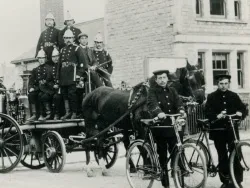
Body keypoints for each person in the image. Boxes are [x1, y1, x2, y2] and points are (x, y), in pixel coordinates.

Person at [205, 74, 246, 188]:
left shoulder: (233, 96)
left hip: (232, 130)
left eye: (226, 83)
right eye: (221, 83)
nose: (223, 86)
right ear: (217, 84)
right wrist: (216, 116)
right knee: (222, 155)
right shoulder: (211, 97)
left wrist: (241, 113)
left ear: (229, 84)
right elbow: (207, 113)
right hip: (218, 131)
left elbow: (243, 108)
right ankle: (225, 181)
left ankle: (237, 181)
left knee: (236, 154)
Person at [147, 70, 186, 188]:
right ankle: (166, 184)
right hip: (161, 128)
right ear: (156, 80)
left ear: (167, 79)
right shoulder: (152, 91)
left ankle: (180, 184)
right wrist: (158, 113)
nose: (162, 80)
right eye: (160, 78)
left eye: (164, 77)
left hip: (173, 127)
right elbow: (152, 104)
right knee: (163, 156)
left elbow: (179, 103)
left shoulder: (172, 90)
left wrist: (181, 111)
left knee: (177, 155)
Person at [56, 29, 88, 120]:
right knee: (65, 95)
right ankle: (68, 112)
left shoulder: (77, 49)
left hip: (73, 77)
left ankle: (74, 112)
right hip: (63, 77)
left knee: (72, 95)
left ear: (73, 38)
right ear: (64, 39)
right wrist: (58, 78)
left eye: (70, 38)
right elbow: (59, 66)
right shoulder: (62, 50)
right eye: (66, 38)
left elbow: (83, 64)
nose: (68, 40)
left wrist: (78, 74)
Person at [27, 47, 55, 122]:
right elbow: (31, 81)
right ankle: (34, 114)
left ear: (45, 58)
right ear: (38, 59)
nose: (41, 60)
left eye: (43, 58)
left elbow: (52, 80)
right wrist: (30, 88)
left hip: (48, 89)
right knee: (31, 94)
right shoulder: (35, 70)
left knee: (41, 95)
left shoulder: (50, 68)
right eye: (40, 58)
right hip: (38, 88)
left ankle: (46, 114)